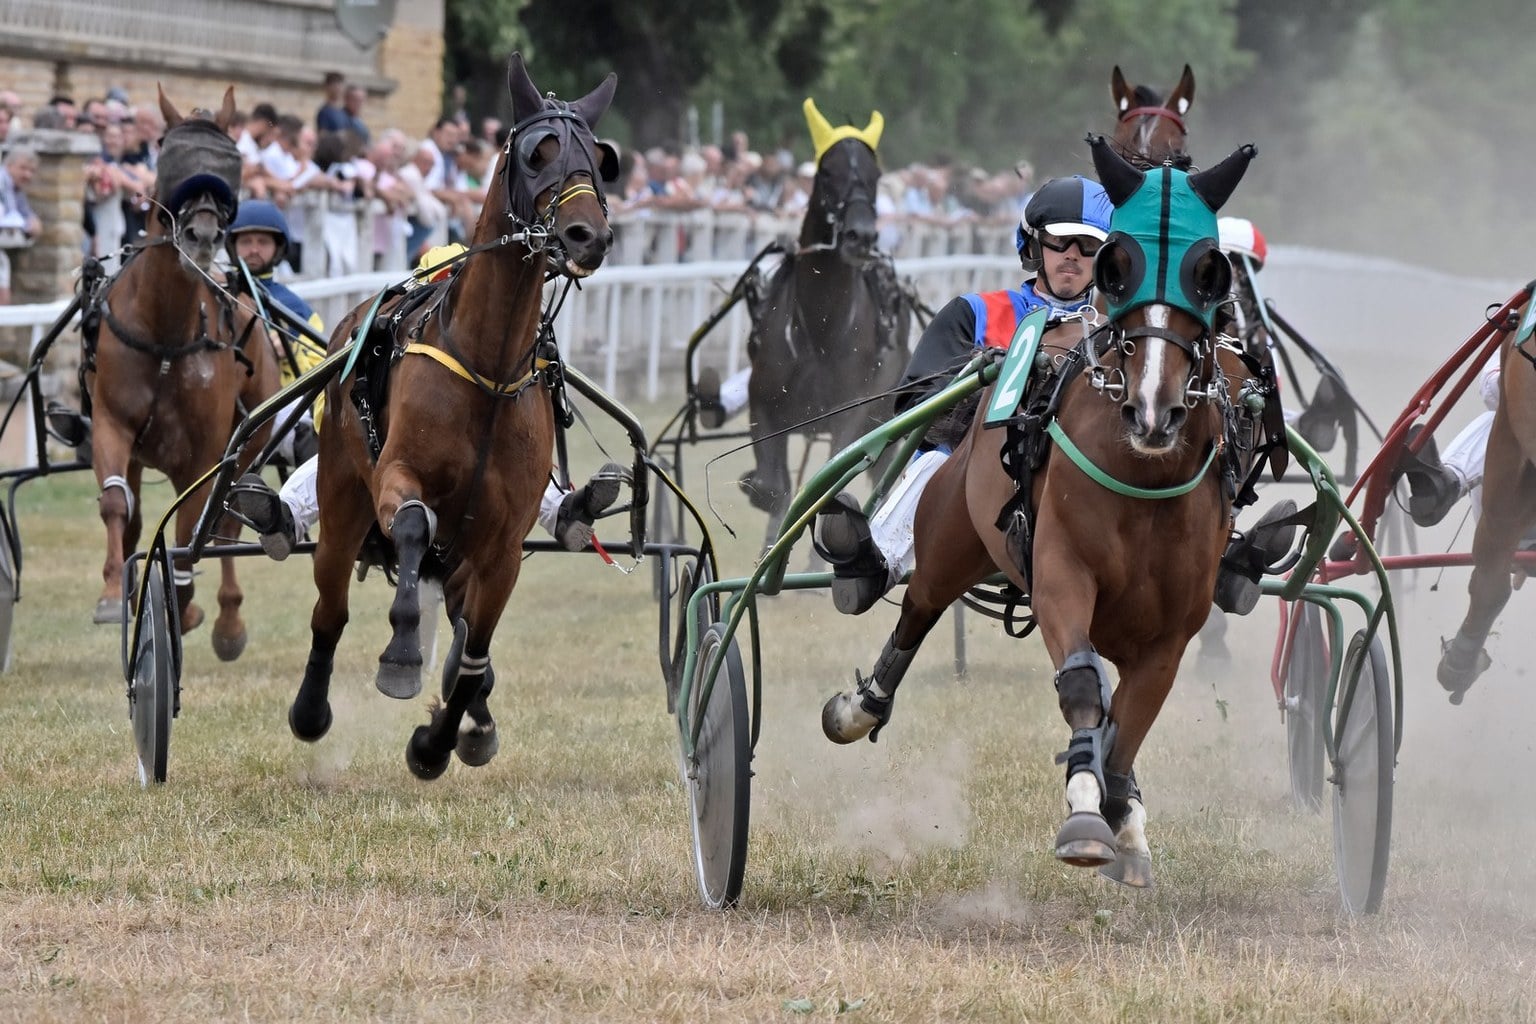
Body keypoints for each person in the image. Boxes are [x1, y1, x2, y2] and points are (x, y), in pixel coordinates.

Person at [811, 174, 1113, 615]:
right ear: (1033, 246)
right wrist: (988, 387)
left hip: (1078, 481)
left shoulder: (1116, 334)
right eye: (1060, 240)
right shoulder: (974, 312)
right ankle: (878, 560)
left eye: (1088, 246)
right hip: (973, 475)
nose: (1073, 254)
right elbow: (919, 408)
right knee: (940, 459)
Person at [226, 247, 628, 559]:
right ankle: (287, 517)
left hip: (473, 457)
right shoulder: (399, 330)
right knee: (341, 459)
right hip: (379, 451)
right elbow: (334, 398)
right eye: (444, 281)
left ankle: (564, 512)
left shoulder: (491, 342)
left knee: (515, 462)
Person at [226, 200, 326, 465]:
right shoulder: (215, 294)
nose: (254, 249)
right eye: (246, 242)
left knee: (311, 434)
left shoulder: (296, 309)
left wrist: (288, 350)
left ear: (278, 248)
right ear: (232, 246)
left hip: (274, 403)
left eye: (263, 242)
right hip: (218, 404)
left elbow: (318, 364)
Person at [0, 147, 42, 305]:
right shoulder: (2, 181)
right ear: (9, 165)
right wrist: (27, 226)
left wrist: (32, 222)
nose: (27, 175)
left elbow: (26, 215)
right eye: (23, 168)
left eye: (31, 170)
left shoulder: (16, 189)